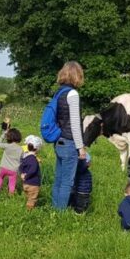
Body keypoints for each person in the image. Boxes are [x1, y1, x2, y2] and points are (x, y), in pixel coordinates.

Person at [50, 61, 87, 210]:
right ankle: (60, 214)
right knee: (67, 182)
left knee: (58, 179)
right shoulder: (73, 94)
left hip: (58, 140)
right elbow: (75, 123)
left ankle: (54, 209)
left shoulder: (59, 93)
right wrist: (81, 147)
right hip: (70, 142)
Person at [0, 121, 23, 195]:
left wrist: (4, 134)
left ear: (8, 137)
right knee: (12, 182)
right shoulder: (20, 149)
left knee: (0, 177)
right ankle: (11, 193)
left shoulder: (7, 146)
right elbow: (21, 160)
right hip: (13, 170)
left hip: (3, 167)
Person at [20, 135, 42, 210]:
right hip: (33, 183)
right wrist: (27, 176)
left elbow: (21, 166)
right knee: (32, 199)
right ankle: (29, 211)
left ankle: (28, 205)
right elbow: (33, 170)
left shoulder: (25, 158)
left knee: (29, 196)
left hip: (25, 183)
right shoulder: (34, 160)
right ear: (37, 149)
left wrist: (23, 174)